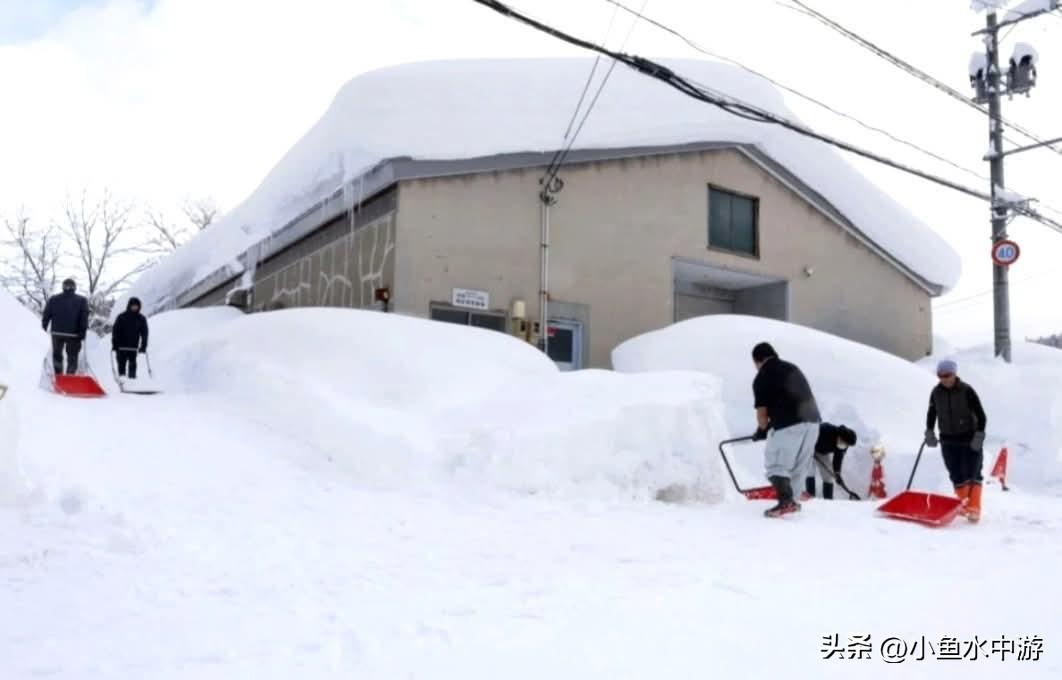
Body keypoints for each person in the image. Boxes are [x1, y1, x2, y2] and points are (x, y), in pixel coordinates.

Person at [751, 341, 822, 517]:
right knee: (799, 466)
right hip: (813, 423)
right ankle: (792, 503)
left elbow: (762, 414)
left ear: (757, 361)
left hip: (788, 424)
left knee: (776, 465)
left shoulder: (762, 376)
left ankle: (785, 502)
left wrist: (761, 431)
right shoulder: (792, 367)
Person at [924, 359, 987, 522]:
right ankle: (964, 506)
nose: (944, 379)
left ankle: (974, 508)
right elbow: (931, 414)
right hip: (948, 440)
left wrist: (979, 435)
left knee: (973, 473)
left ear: (954, 374)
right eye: (940, 375)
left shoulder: (967, 390)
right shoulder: (936, 393)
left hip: (969, 438)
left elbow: (981, 415)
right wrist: (929, 432)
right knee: (956, 474)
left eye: (947, 375)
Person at [41, 278, 90, 376]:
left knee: (57, 355)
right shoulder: (82, 300)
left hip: (57, 333)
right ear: (74, 288)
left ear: (63, 287)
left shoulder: (53, 299)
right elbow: (84, 318)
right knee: (72, 357)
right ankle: (69, 377)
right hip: (74, 334)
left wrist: (43, 329)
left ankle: (59, 376)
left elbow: (46, 315)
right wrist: (82, 332)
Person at [805, 423, 860, 500]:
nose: (844, 445)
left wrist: (837, 473)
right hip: (809, 449)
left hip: (823, 453)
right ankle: (810, 496)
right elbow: (808, 436)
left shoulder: (843, 445)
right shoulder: (825, 430)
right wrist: (809, 449)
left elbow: (838, 458)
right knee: (810, 471)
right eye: (843, 441)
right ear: (839, 436)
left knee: (828, 476)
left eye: (846, 444)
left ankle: (828, 500)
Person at [111, 297, 149, 380]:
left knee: (133, 365)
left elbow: (144, 333)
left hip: (133, 348)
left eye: (136, 306)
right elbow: (115, 331)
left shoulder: (141, 319)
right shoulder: (121, 317)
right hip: (121, 347)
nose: (135, 307)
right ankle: (123, 382)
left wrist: (143, 346)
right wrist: (115, 344)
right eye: (133, 306)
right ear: (129, 306)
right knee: (121, 366)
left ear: (139, 307)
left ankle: (132, 382)